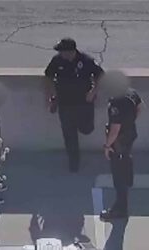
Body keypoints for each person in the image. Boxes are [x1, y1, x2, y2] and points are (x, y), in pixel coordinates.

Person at [44, 38, 104, 172]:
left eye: (63, 51)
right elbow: (48, 76)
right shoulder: (57, 61)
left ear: (71, 51)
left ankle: (78, 124)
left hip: (84, 103)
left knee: (87, 129)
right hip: (65, 103)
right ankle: (74, 163)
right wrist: (51, 96)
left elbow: (101, 75)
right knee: (69, 134)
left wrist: (93, 92)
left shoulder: (86, 61)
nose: (61, 54)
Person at [99, 71, 143, 220]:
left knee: (118, 177)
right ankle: (128, 174)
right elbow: (140, 107)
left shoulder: (116, 102)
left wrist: (107, 146)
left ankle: (120, 209)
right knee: (126, 157)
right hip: (130, 134)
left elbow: (115, 129)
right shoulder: (131, 93)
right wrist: (129, 121)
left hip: (118, 141)